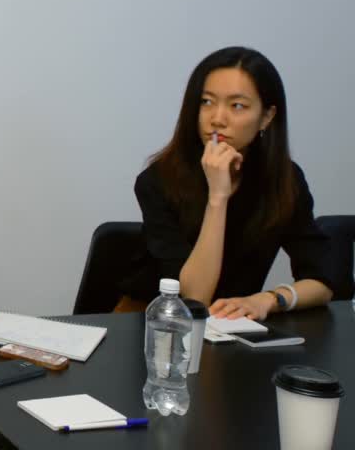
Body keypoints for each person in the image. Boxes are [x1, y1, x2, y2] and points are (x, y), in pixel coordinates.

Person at [120, 46, 335, 318]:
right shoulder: (157, 180)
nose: (217, 119)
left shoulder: (284, 179)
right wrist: (218, 197)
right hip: (153, 324)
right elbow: (194, 299)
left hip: (230, 328)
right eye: (207, 102)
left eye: (237, 106)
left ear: (266, 117)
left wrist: (269, 300)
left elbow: (325, 281)